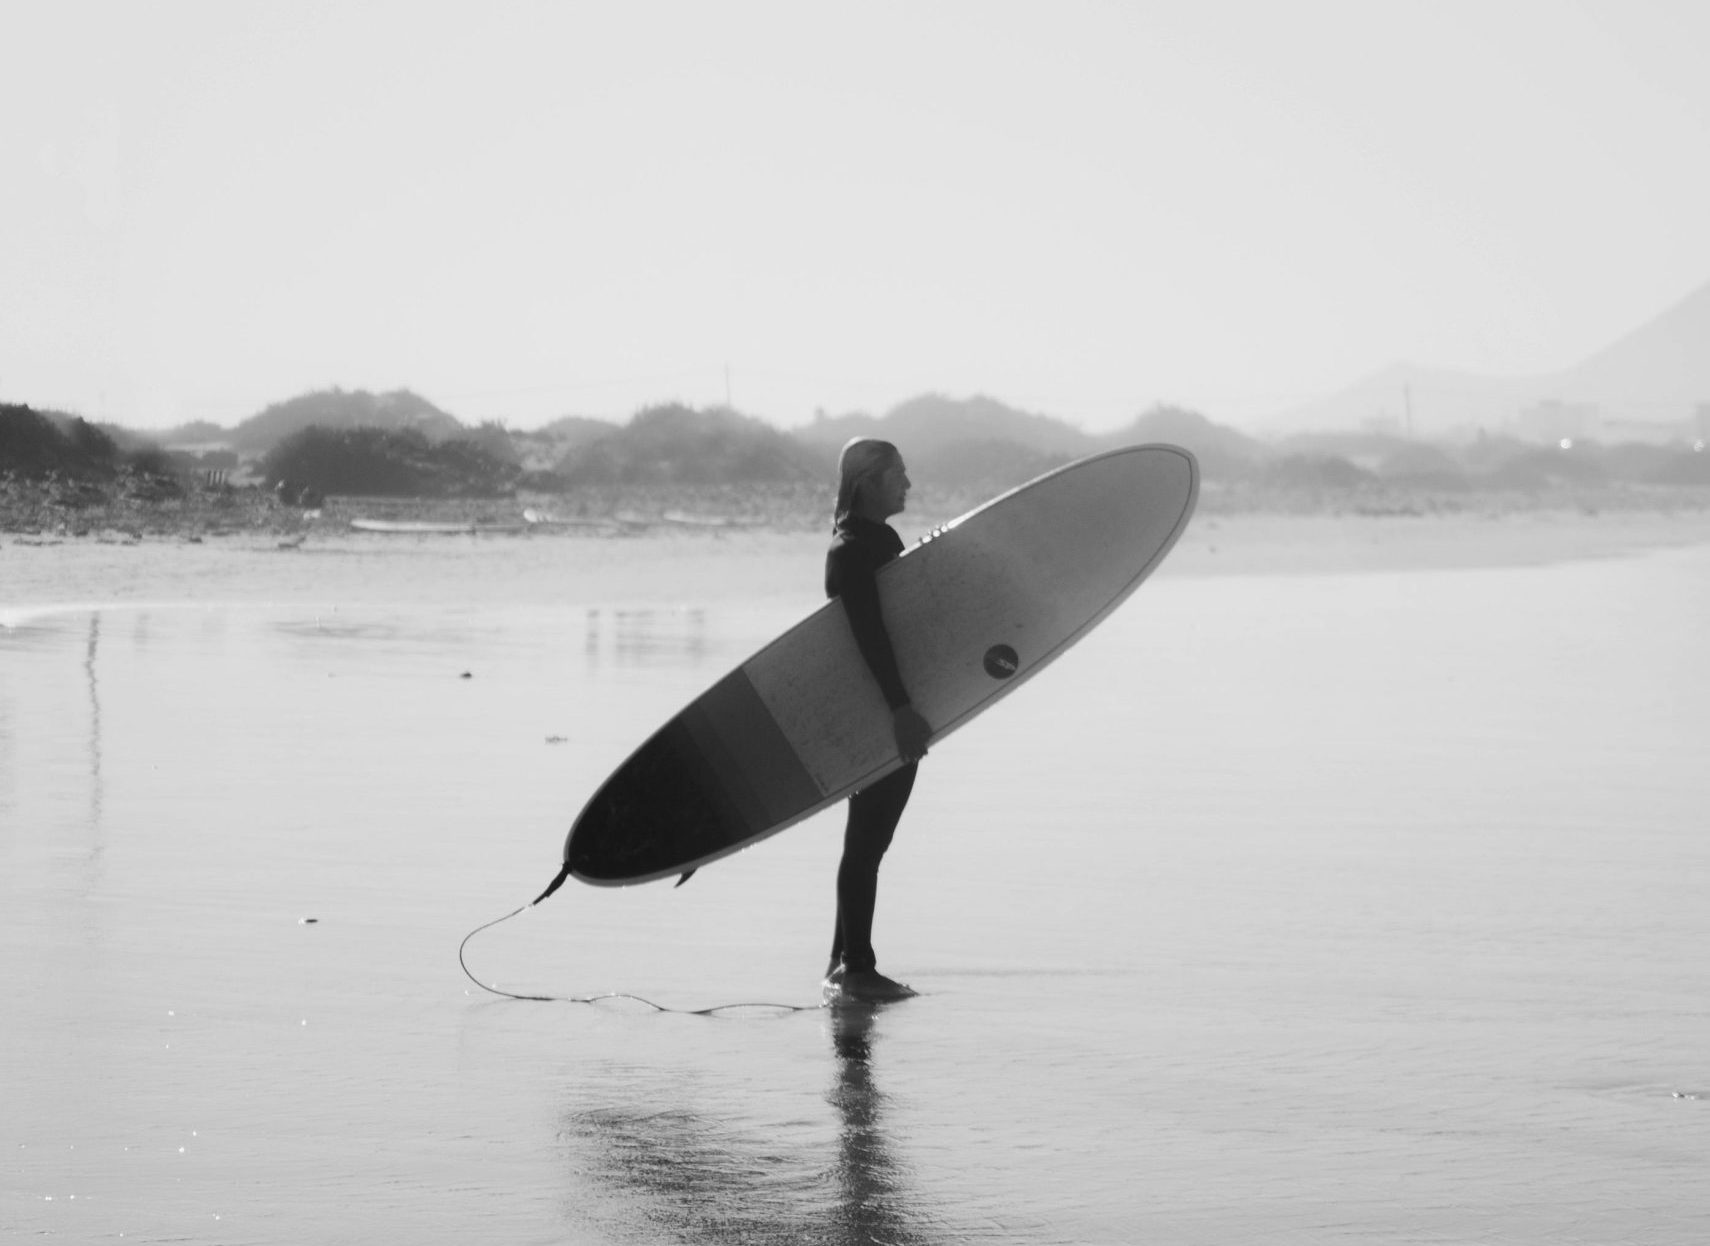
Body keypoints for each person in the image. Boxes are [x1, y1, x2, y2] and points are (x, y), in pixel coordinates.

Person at [822, 438, 933, 1003]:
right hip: (878, 714)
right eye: (899, 474)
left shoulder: (875, 542)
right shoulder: (850, 551)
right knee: (865, 845)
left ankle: (842, 965)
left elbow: (906, 621)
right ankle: (856, 970)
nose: (908, 484)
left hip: (891, 708)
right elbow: (869, 637)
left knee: (868, 845)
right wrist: (900, 710)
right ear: (869, 481)